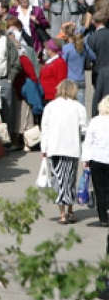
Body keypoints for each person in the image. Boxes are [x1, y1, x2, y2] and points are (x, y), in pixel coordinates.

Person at [41, 80, 87, 224]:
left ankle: (61, 214)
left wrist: (44, 149)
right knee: (70, 179)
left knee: (59, 180)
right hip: (71, 148)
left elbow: (45, 128)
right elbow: (84, 128)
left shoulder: (50, 106)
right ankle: (71, 210)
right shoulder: (78, 107)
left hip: (54, 148)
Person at [82, 96, 109, 227]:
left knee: (99, 189)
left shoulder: (95, 121)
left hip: (97, 158)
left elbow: (88, 142)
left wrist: (86, 160)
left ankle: (103, 217)